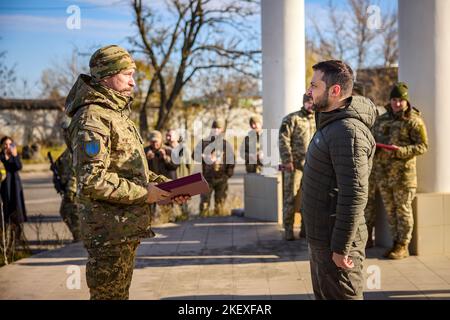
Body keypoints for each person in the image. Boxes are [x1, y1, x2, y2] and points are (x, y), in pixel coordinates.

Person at [65, 45, 189, 300]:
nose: (133, 82)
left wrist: (166, 187)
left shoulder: (116, 115)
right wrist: (147, 194)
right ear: (107, 75)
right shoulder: (92, 118)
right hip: (107, 233)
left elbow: (131, 170)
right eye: (127, 74)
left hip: (122, 230)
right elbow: (92, 180)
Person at [301, 60, 377, 300]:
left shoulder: (348, 132)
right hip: (323, 241)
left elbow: (354, 193)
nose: (308, 91)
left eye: (314, 85)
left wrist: (340, 248)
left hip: (337, 246)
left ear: (335, 91)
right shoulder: (331, 124)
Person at [367, 82, 428, 259]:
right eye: (394, 99)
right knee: (391, 211)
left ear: (406, 101)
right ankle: (395, 243)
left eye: (400, 100)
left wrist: (401, 151)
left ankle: (403, 245)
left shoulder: (414, 121)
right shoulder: (382, 119)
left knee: (403, 210)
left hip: (403, 176)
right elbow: (373, 139)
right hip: (383, 174)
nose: (396, 103)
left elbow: (423, 146)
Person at [279, 94, 315, 241]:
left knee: (309, 199)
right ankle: (288, 229)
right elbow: (283, 140)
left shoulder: (319, 119)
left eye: (313, 102)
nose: (311, 105)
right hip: (294, 167)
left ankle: (305, 229)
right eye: (309, 102)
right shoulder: (292, 119)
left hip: (312, 167)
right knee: (290, 198)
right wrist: (287, 160)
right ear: (304, 103)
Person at [193, 119, 235, 216]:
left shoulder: (226, 144)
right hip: (207, 178)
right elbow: (194, 155)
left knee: (220, 204)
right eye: (214, 128)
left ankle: (218, 223)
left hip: (221, 179)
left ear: (222, 130)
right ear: (211, 129)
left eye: (218, 128)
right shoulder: (204, 143)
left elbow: (231, 161)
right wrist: (204, 156)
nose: (216, 130)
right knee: (204, 203)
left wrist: (228, 175)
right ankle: (202, 222)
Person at [52, 117, 81, 242]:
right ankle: (78, 238)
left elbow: (75, 171)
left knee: (71, 213)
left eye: (66, 130)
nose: (64, 133)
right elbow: (63, 167)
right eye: (63, 130)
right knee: (67, 213)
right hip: (69, 189)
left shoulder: (75, 147)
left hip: (74, 191)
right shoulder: (69, 149)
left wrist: (70, 190)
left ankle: (79, 239)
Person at [145, 130, 180, 223]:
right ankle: (152, 219)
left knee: (168, 201)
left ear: (160, 140)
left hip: (167, 180)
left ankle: (171, 218)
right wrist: (147, 159)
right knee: (152, 202)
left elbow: (175, 166)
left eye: (156, 141)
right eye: (152, 141)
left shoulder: (169, 150)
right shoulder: (146, 151)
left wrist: (165, 158)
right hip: (153, 182)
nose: (154, 143)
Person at [0, 136, 28, 244]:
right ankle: (4, 239)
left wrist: (15, 155)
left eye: (9, 144)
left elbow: (18, 167)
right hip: (3, 187)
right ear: (2, 145)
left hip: (14, 187)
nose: (7, 146)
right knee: (5, 211)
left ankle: (17, 239)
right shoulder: (1, 157)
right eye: (5, 144)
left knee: (17, 210)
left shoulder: (14, 156)